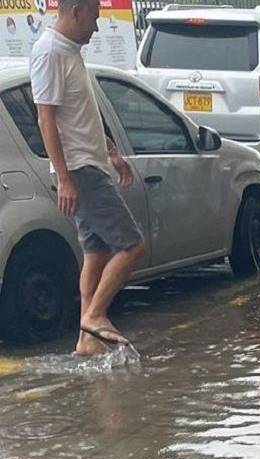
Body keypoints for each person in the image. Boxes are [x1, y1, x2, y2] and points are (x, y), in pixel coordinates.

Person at [31, 0, 145, 356]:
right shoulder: (49, 52)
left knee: (96, 251)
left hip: (92, 163)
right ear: (76, 12)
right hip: (80, 170)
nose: (96, 28)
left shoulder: (70, 52)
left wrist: (111, 152)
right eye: (94, 18)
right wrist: (64, 178)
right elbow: (45, 119)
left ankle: (86, 340)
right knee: (133, 245)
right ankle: (95, 316)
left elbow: (82, 115)